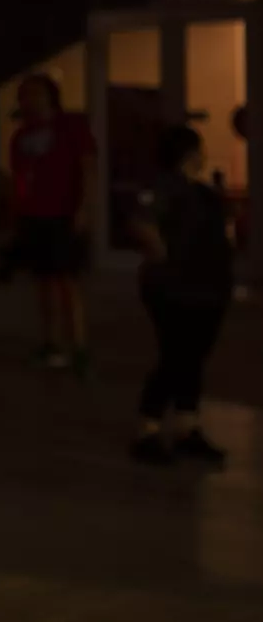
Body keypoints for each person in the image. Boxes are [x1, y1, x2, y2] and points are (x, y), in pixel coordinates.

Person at [127, 126, 232, 467]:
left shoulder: (201, 191)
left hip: (207, 289)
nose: (203, 156)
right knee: (176, 356)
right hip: (175, 289)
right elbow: (142, 222)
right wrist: (163, 256)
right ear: (189, 153)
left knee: (193, 358)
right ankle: (148, 428)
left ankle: (187, 426)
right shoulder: (163, 186)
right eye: (199, 150)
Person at [8, 74, 95, 373]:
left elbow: (87, 168)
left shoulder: (71, 128)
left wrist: (84, 207)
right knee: (43, 283)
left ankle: (79, 347)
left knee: (67, 282)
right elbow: (18, 178)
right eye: (25, 95)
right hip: (35, 216)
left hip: (64, 214)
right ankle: (51, 343)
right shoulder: (21, 136)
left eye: (36, 93)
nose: (30, 100)